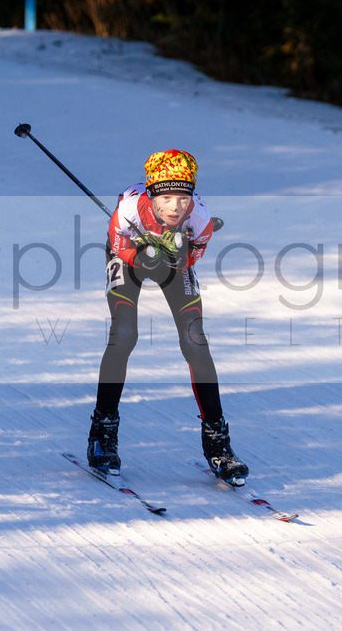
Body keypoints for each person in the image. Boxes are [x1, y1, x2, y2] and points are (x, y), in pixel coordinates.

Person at [87, 149, 249, 484]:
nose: (176, 207)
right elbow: (118, 247)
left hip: (173, 262)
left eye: (184, 197)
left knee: (195, 342)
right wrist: (141, 258)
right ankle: (102, 432)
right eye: (168, 197)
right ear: (151, 194)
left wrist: (177, 258)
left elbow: (195, 255)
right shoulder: (128, 211)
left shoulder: (200, 219)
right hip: (127, 255)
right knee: (124, 334)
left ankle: (218, 442)